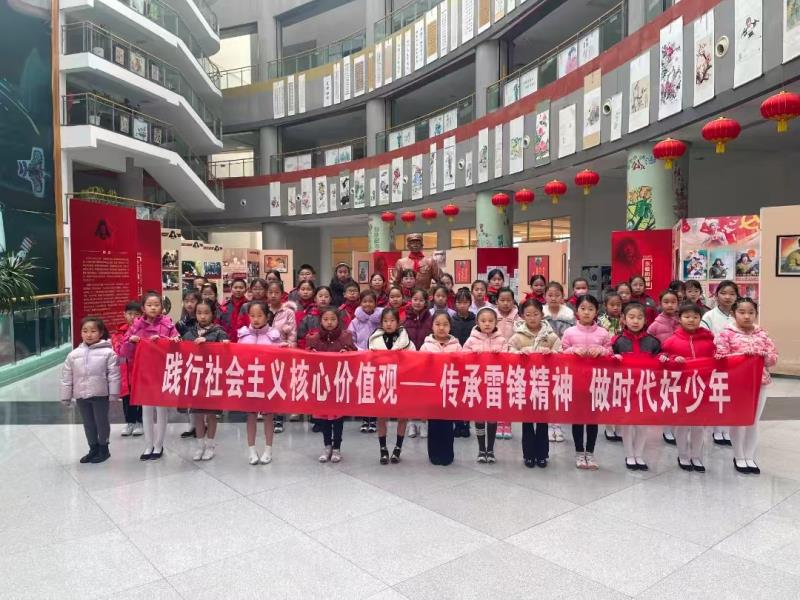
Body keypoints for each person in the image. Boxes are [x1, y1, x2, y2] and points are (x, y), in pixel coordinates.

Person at [715, 298, 778, 474]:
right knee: (739, 420)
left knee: (753, 421)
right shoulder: (725, 334)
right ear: (733, 313)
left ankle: (750, 456)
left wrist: (763, 355)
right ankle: (739, 456)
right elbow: (720, 358)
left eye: (751, 312)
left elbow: (773, 358)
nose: (747, 316)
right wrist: (742, 356)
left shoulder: (762, 334)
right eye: (742, 312)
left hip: (760, 382)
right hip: (737, 384)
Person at [123, 292, 180, 460]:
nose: (153, 308)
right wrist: (131, 341)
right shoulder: (136, 326)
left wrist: (168, 340)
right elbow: (124, 351)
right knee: (146, 409)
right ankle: (148, 445)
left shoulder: (168, 324)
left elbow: (177, 344)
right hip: (143, 371)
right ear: (143, 308)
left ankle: (159, 445)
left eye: (156, 305)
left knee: (161, 409)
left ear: (162, 307)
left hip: (162, 371)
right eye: (149, 305)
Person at [661, 302, 717, 473]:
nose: (691, 320)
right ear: (679, 318)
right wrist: (672, 360)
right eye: (687, 317)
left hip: (702, 387)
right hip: (681, 389)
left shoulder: (709, 339)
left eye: (695, 317)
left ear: (700, 318)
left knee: (699, 425)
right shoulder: (672, 341)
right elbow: (663, 358)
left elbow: (716, 358)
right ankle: (683, 455)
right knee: (682, 424)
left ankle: (697, 456)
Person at [561, 294, 613, 470]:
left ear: (596, 312)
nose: (586, 312)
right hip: (576, 382)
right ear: (577, 311)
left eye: (590, 309)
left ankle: (590, 453)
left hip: (596, 383)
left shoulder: (603, 333)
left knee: (592, 419)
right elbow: (561, 352)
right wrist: (573, 350)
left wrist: (601, 351)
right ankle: (578, 452)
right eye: (583, 309)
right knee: (577, 419)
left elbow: (610, 352)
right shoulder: (569, 332)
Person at [61, 317, 120, 464]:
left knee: (101, 422)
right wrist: (66, 396)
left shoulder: (109, 353)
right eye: (85, 331)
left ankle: (104, 448)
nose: (89, 334)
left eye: (93, 331)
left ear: (101, 333)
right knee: (88, 423)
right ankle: (93, 448)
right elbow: (67, 377)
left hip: (100, 394)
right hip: (81, 395)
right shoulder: (73, 355)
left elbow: (114, 375)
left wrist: (114, 393)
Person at [510, 299, 561, 468]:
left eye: (536, 314)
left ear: (542, 314)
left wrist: (551, 353)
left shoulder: (550, 335)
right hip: (524, 383)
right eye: (528, 315)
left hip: (544, 383)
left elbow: (561, 353)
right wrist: (519, 353)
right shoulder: (517, 336)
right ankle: (528, 454)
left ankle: (542, 454)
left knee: (542, 420)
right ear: (522, 316)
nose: (532, 318)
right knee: (527, 421)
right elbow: (508, 352)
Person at [612, 303, 661, 471]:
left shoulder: (653, 342)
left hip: (646, 388)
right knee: (627, 423)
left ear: (645, 320)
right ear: (623, 319)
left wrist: (663, 358)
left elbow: (660, 360)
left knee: (642, 423)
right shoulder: (617, 341)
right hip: (624, 388)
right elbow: (608, 363)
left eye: (639, 318)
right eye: (631, 317)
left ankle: (639, 454)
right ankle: (629, 454)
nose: (635, 321)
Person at [306, 308, 357, 463]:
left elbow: (354, 355)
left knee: (337, 418)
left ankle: (337, 447)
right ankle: (327, 445)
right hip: (321, 384)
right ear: (320, 321)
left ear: (338, 321)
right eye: (326, 319)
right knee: (324, 418)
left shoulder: (345, 337)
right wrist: (311, 353)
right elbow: (305, 358)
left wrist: (347, 352)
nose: (329, 322)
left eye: (333, 319)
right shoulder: (314, 338)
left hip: (338, 384)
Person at [182, 300, 228, 461]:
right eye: (199, 313)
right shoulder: (189, 333)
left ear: (213, 314)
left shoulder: (219, 332)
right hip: (196, 379)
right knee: (197, 414)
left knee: (211, 414)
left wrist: (208, 343)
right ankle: (200, 445)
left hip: (213, 378)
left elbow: (226, 352)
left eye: (206, 313)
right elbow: (182, 352)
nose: (202, 316)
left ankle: (210, 445)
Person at [368, 308, 416, 464]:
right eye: (385, 321)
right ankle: (383, 449)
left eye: (392, 321)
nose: (389, 324)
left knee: (402, 416)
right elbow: (369, 362)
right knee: (381, 416)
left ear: (398, 322)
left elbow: (415, 362)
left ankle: (398, 448)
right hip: (382, 383)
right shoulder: (374, 340)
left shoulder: (407, 341)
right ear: (381, 323)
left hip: (401, 383)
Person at [463, 307, 510, 463]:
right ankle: (481, 449)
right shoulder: (471, 340)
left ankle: (490, 450)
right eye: (483, 321)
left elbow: (509, 359)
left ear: (496, 322)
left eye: (491, 321)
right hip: (477, 384)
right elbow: (462, 358)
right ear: (477, 322)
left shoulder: (501, 340)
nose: (487, 324)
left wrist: (500, 355)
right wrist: (472, 354)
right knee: (479, 417)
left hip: (494, 385)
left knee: (492, 417)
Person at [238, 301, 281, 465]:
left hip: (267, 381)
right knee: (251, 416)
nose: (255, 319)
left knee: (268, 416)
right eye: (252, 316)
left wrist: (283, 349)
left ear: (267, 316)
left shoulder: (274, 335)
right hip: (249, 381)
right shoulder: (243, 335)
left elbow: (280, 359)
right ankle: (251, 449)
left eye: (259, 316)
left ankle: (268, 449)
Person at [420, 311, 461, 466]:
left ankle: (447, 454)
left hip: (450, 391)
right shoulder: (426, 345)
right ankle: (434, 454)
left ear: (450, 326)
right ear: (432, 326)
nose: (441, 328)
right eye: (437, 324)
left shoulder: (456, 345)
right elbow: (420, 367)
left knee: (447, 425)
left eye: (445, 324)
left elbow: (462, 366)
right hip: (433, 391)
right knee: (434, 424)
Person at [701, 279, 738, 446]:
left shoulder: (739, 314)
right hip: (716, 361)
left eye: (732, 294)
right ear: (716, 296)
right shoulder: (709, 316)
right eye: (723, 293)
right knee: (718, 395)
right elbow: (704, 338)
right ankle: (717, 430)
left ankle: (727, 430)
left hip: (736, 362)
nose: (727, 297)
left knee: (732, 396)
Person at [542, 281, 575, 443]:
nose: (553, 298)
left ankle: (558, 425)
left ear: (563, 297)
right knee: (547, 392)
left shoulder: (569, 315)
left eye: (557, 295)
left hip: (563, 358)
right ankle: (548, 425)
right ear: (545, 296)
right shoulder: (540, 313)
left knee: (559, 392)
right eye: (550, 295)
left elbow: (572, 336)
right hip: (544, 358)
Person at [348, 290, 383, 433]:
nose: (368, 304)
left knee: (375, 389)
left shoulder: (381, 320)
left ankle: (373, 418)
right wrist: (360, 351)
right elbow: (351, 339)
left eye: (370, 301)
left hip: (378, 359)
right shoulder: (355, 322)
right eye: (365, 301)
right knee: (363, 389)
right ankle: (364, 418)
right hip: (361, 359)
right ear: (360, 303)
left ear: (375, 303)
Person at [404, 288, 433, 438]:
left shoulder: (430, 318)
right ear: (411, 301)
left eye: (421, 300)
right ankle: (411, 423)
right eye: (415, 299)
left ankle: (423, 422)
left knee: (424, 394)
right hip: (409, 361)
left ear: (426, 302)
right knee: (410, 394)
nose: (418, 302)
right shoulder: (405, 318)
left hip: (426, 361)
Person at [112, 300, 143, 437]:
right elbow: (118, 351)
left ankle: (140, 422)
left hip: (140, 370)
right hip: (125, 371)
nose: (133, 317)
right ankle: (129, 422)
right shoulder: (119, 333)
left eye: (136, 314)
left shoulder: (144, 331)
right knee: (127, 398)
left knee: (141, 397)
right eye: (130, 314)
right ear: (124, 314)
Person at [495, 287, 520, 440]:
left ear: (513, 301)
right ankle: (499, 422)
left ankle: (508, 423)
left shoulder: (519, 317)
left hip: (512, 359)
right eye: (502, 300)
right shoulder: (491, 315)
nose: (505, 303)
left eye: (508, 300)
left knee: (509, 391)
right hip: (496, 360)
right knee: (498, 391)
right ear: (496, 301)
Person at [450, 287, 475, 438]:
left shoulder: (475, 320)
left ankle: (466, 424)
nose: (462, 305)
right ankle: (457, 424)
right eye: (459, 302)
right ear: (455, 304)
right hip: (455, 361)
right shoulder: (451, 320)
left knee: (468, 394)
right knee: (456, 393)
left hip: (471, 362)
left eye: (465, 302)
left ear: (470, 303)